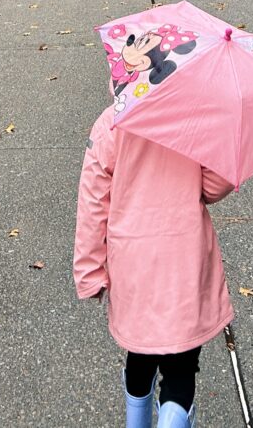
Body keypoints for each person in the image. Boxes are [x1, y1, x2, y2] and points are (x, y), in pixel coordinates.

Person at [74, 105, 233, 427]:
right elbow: (214, 186)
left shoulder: (112, 122)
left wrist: (89, 270)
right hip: (184, 259)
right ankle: (172, 419)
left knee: (141, 350)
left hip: (133, 261)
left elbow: (93, 200)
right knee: (181, 364)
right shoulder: (195, 117)